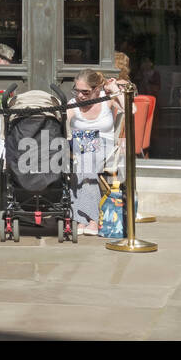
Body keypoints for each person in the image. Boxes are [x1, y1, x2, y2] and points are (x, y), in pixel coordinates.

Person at [66, 70, 125, 236]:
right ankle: (88, 218)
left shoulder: (106, 100)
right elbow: (62, 122)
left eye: (85, 92)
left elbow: (132, 109)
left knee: (85, 164)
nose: (80, 96)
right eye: (76, 90)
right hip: (80, 144)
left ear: (96, 88)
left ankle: (86, 219)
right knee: (83, 163)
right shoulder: (73, 104)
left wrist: (114, 89)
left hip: (104, 143)